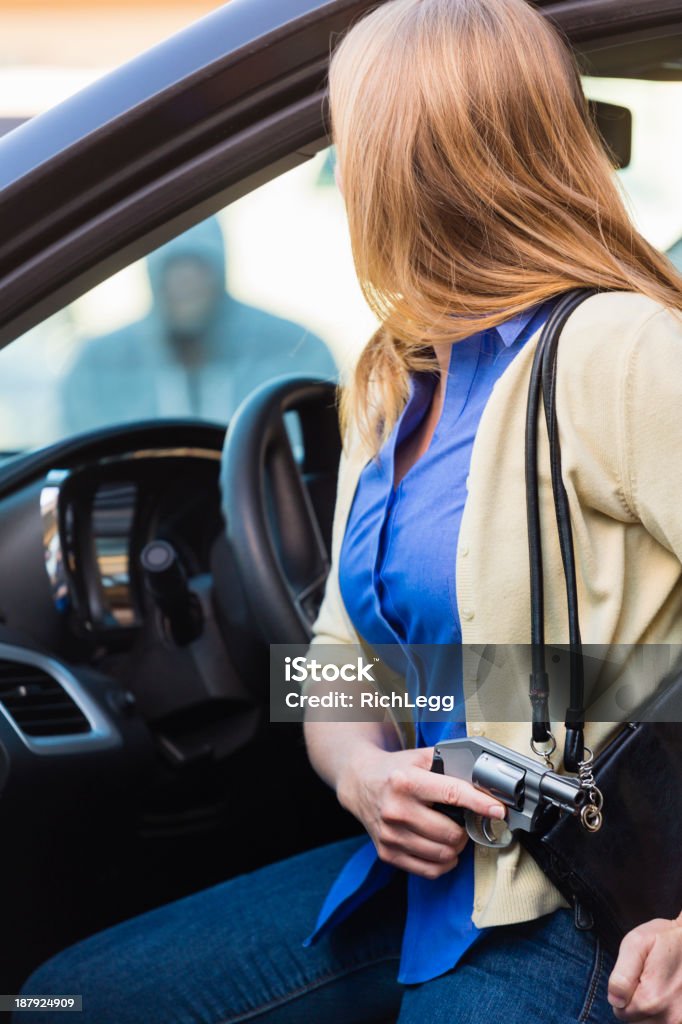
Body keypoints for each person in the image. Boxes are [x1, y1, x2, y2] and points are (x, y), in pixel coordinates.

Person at [22, 0, 682, 1021]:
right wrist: (363, 782)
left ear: (418, 158)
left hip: (582, 907)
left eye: (352, 135)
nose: (342, 170)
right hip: (423, 884)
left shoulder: (621, 350)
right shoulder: (387, 382)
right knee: (78, 997)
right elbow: (337, 661)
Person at [60, 216, 336, 434]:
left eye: (197, 267)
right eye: (173, 269)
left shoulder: (294, 349)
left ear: (220, 271)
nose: (185, 283)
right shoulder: (99, 366)